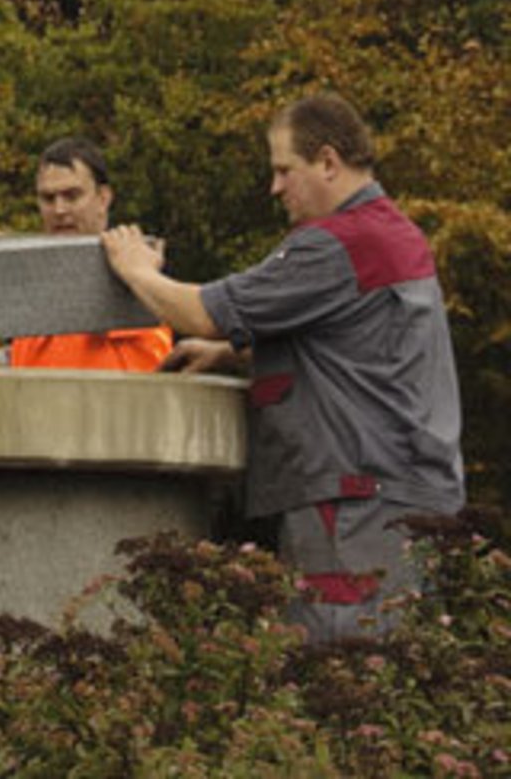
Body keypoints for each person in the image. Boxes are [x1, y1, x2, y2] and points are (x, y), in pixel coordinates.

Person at [101, 88, 465, 640]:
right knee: (405, 670)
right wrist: (233, 354)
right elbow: (352, 342)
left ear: (327, 161)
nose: (274, 188)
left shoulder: (337, 244)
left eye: (283, 170)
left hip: (356, 504)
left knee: (345, 664)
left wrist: (137, 270)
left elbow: (203, 312)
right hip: (400, 493)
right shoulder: (393, 232)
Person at [9, 137, 174, 372]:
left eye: (72, 195)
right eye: (48, 198)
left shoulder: (131, 267)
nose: (59, 209)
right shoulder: (34, 279)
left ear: (103, 198)